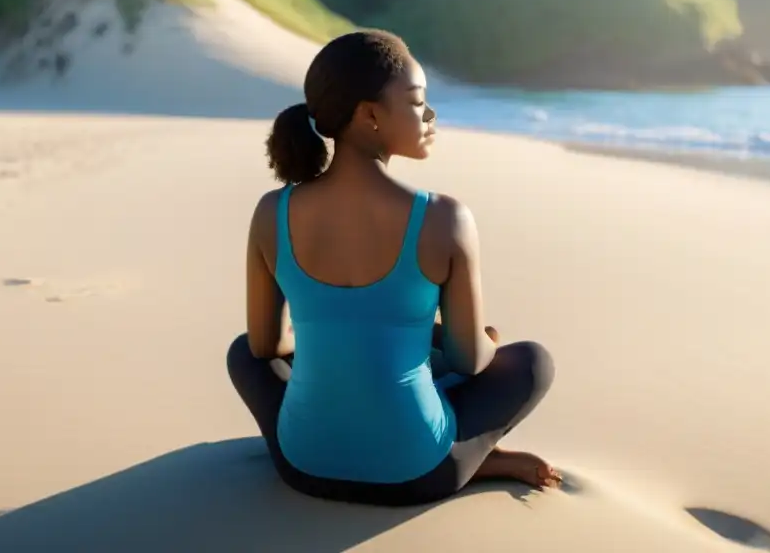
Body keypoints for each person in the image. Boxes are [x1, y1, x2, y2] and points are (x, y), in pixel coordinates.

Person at [226, 29, 559, 506]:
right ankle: (477, 458)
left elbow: (265, 345)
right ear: (369, 115)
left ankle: (379, 421)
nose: (430, 115)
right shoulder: (444, 217)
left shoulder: (271, 212)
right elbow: (470, 362)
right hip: (417, 474)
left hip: (303, 466)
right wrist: (483, 340)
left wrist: (335, 331)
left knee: (244, 352)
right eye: (417, 101)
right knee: (531, 363)